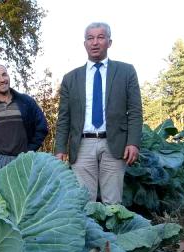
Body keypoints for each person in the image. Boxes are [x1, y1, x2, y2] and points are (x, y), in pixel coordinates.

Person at [55, 22, 142, 204]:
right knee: (84, 203)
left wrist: (133, 142)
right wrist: (60, 149)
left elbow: (135, 111)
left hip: (115, 144)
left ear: (109, 42)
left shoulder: (126, 72)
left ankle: (113, 233)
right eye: (90, 38)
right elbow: (64, 117)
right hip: (82, 146)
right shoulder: (70, 78)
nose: (95, 42)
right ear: (85, 44)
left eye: (100, 37)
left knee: (113, 203)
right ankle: (90, 233)